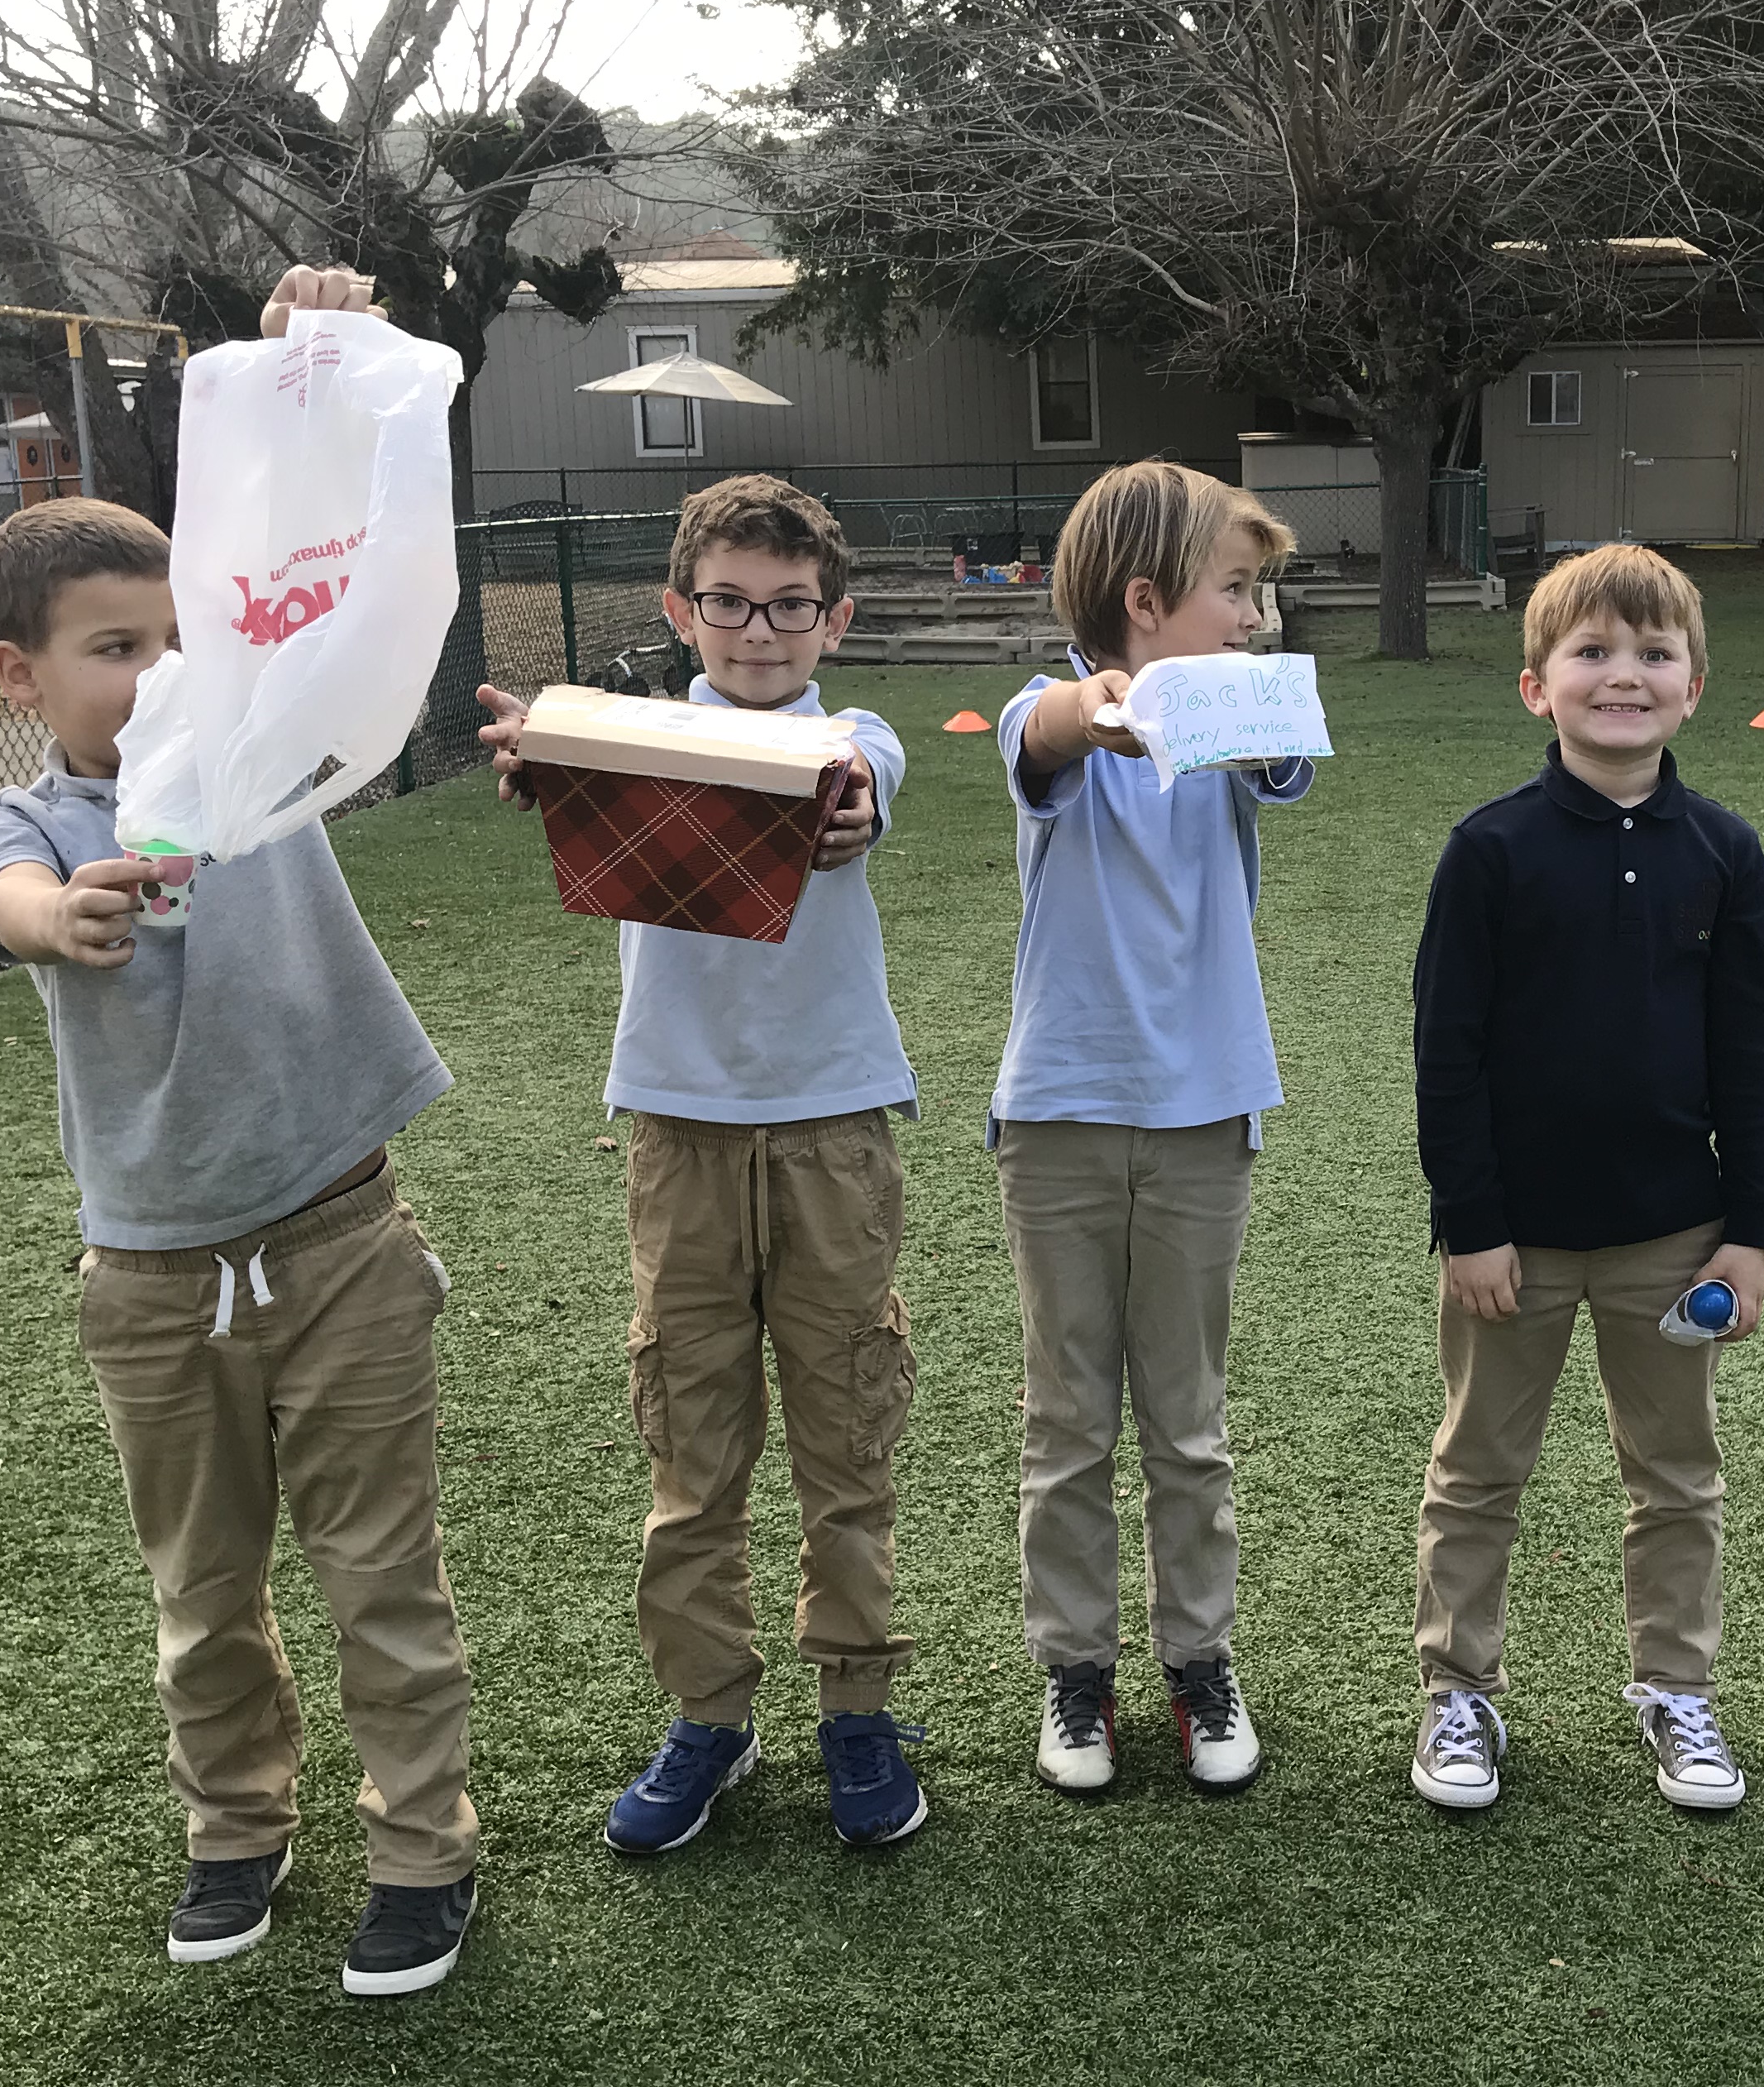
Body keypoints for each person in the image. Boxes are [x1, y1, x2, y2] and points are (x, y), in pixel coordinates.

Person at [0, 266, 480, 1997]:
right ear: (24, 672)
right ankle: (236, 1827)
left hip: (342, 1240)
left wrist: (306, 351)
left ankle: (423, 1846)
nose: (159, 671)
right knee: (201, 1588)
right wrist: (64, 914)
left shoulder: (266, 747)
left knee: (381, 1573)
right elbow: (6, 903)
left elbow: (315, 540)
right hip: (153, 1277)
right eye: (115, 650)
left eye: (178, 636)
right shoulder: (24, 824)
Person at [472, 476, 930, 1852]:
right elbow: (561, 756)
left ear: (834, 619)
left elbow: (858, 791)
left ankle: (857, 1706)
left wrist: (850, 809)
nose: (758, 631)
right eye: (729, 602)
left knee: (846, 1437)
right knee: (692, 1443)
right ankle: (710, 1715)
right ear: (681, 611)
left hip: (834, 1126)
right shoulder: (635, 739)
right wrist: (542, 758)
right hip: (676, 1130)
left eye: (790, 606)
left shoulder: (851, 737)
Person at [1405, 543, 1764, 1813]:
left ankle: (1678, 1691)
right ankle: (1459, 1692)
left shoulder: (1724, 851)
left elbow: (1751, 1048)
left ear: (1694, 689)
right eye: (1592, 652)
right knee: (1478, 1473)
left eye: (1654, 654)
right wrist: (1471, 1223)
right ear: (1538, 687)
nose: (1624, 675)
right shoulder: (1491, 849)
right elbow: (1446, 1052)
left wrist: (1749, 1228)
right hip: (1511, 1241)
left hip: (1671, 1235)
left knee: (1675, 1477)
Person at [994, 460, 1307, 1797]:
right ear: (1142, 597)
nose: (1254, 615)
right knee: (1068, 1420)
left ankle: (1198, 1660)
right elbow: (1050, 732)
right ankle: (1077, 1672)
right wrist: (1106, 707)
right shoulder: (1045, 711)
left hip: (1203, 1116)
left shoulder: (1236, 716)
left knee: (1188, 1422)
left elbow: (1284, 753)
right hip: (1057, 1117)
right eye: (1234, 589)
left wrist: (1210, 700)